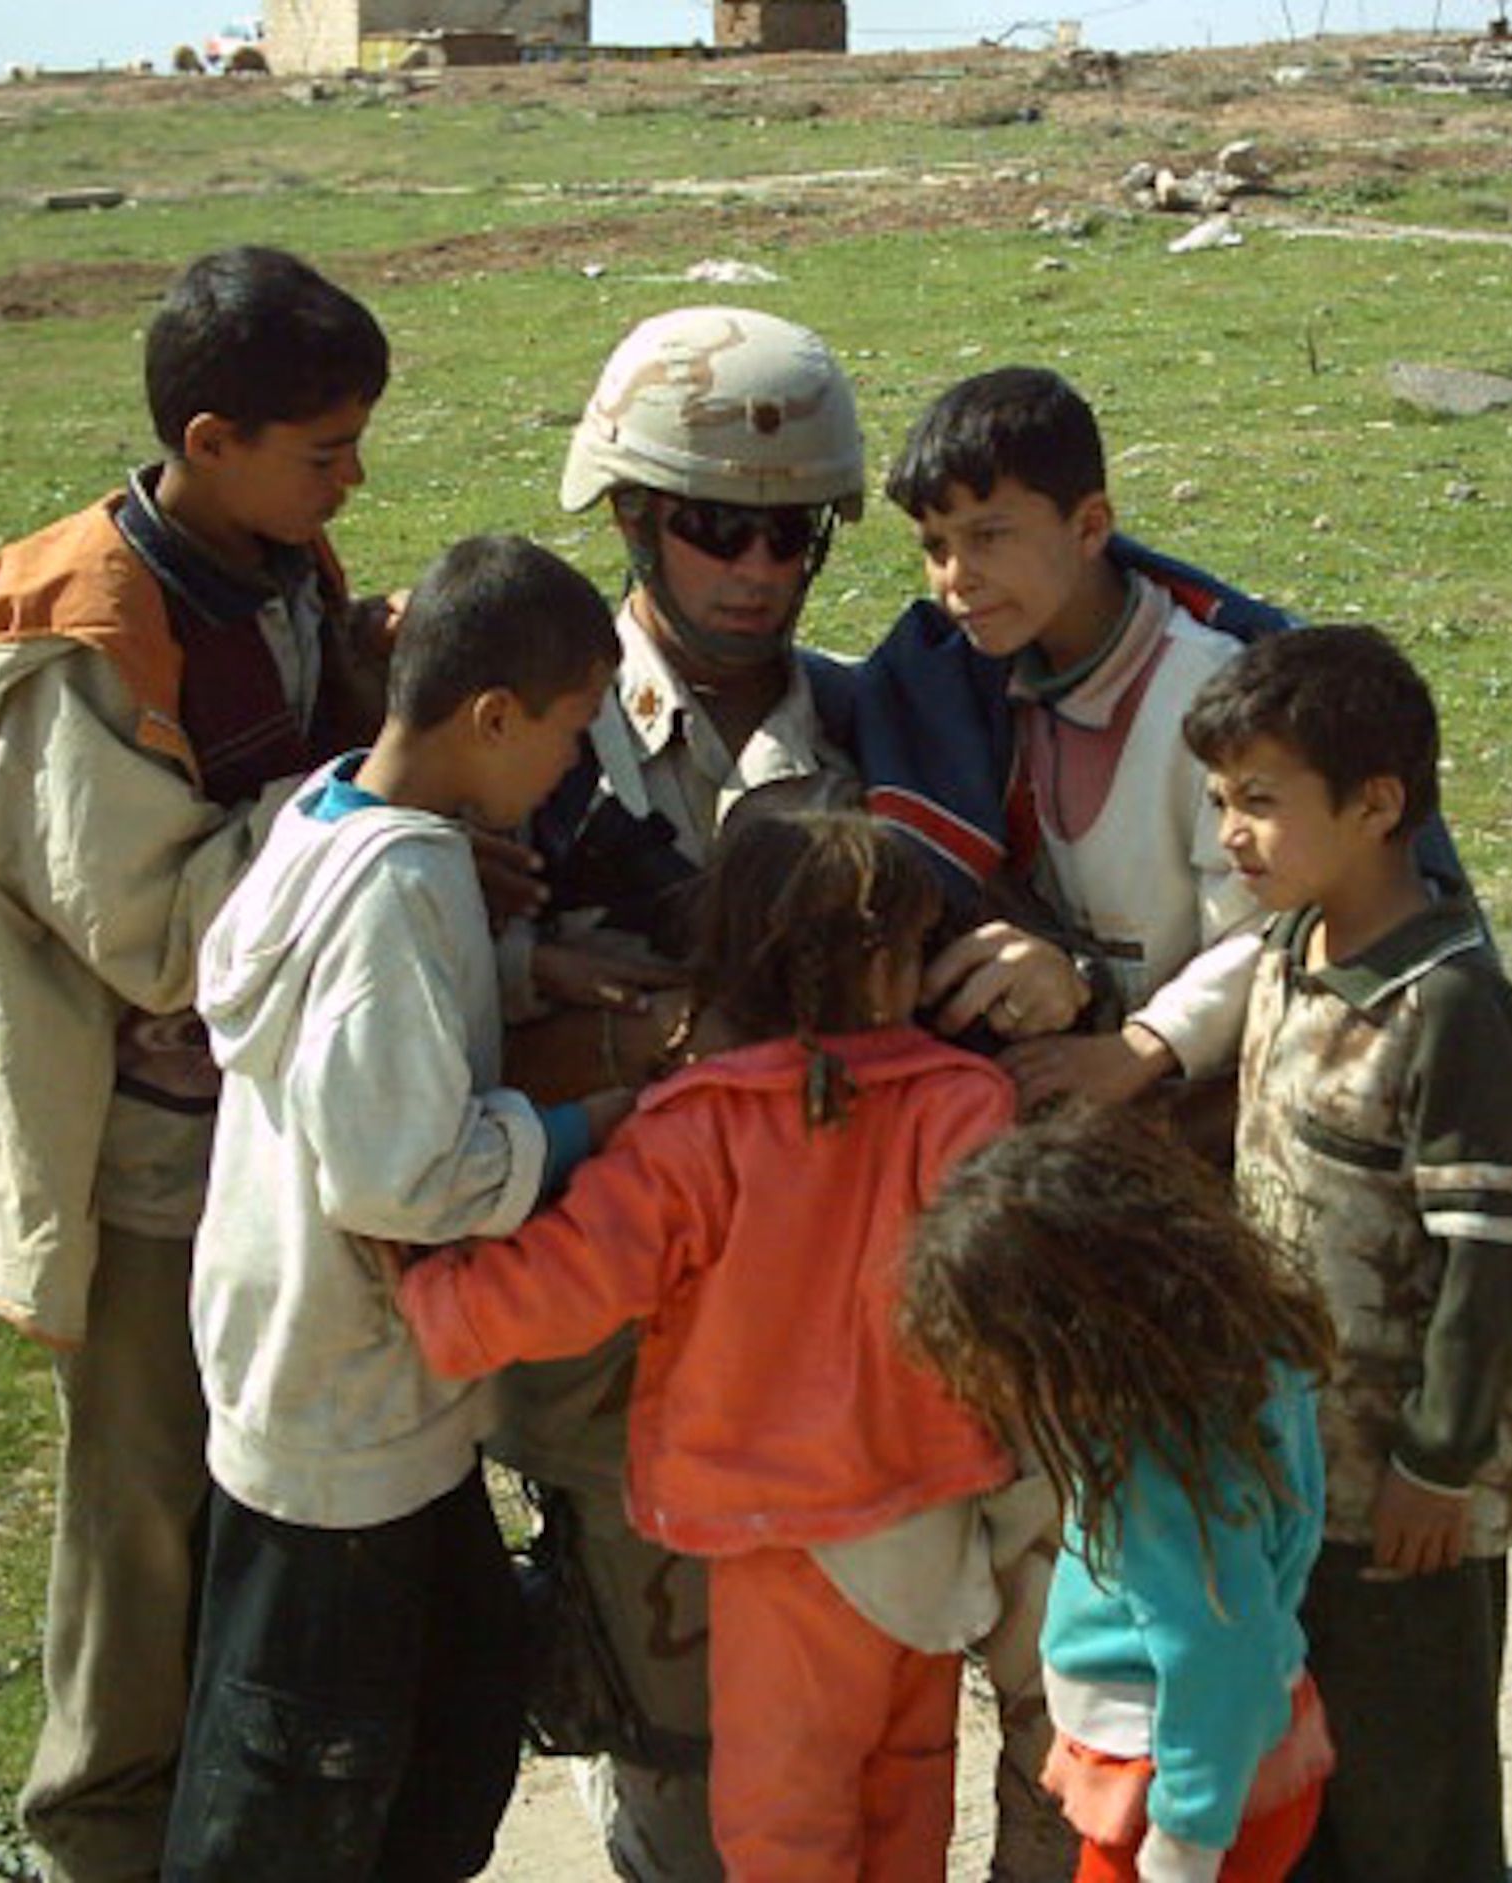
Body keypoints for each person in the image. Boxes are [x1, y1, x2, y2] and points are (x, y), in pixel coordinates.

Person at [496, 306, 1078, 1883]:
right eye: (711, 528)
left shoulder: (887, 723)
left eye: (792, 535)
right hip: (645, 1376)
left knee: (915, 1760)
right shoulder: (531, 734)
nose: (756, 570)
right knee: (705, 1812)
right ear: (627, 513)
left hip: (886, 1382)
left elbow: (989, 955)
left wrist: (1044, 964)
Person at [0, 244, 394, 1882]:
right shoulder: (82, 629)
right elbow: (152, 936)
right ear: (211, 441)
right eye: (324, 448)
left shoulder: (275, 560)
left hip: (275, 1138)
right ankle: (102, 1834)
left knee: (274, 1496)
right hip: (148, 1163)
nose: (353, 479)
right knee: (143, 1521)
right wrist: (363, 781)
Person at [400, 810, 1018, 1882]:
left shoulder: (697, 1127)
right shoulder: (965, 1104)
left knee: (786, 1803)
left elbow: (568, 1282)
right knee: (906, 1767)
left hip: (777, 1530)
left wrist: (435, 1298)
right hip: (929, 1505)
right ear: (887, 963)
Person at [161, 533, 629, 1881]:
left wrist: (533, 969)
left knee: (451, 1709)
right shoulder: (410, 883)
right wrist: (586, 1124)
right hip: (350, 1416)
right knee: (309, 1777)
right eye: (564, 732)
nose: (564, 766)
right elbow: (398, 1172)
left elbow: (346, 1025)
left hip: (315, 1377)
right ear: (492, 718)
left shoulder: (328, 814)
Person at [1180, 623, 1512, 1883]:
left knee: (1414, 1792)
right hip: (1288, 1472)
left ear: (1376, 802)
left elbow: (1493, 1267)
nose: (1230, 830)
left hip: (1401, 1499)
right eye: (1220, 800)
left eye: (1259, 801)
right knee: (1300, 1789)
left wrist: (1436, 1467)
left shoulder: (1449, 1003)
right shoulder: (1288, 952)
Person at [903, 1106, 1339, 1883]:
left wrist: (1186, 1842)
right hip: (1240, 1754)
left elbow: (1215, 1650)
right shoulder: (1238, 1348)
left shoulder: (1161, 1452)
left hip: (1167, 1789)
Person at [857, 365, 1298, 1123]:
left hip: (1228, 1089)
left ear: (1091, 526)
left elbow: (1273, 932)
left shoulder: (1211, 689)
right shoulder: (973, 688)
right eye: (935, 546)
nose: (955, 578)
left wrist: (1138, 1048)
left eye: (988, 536)